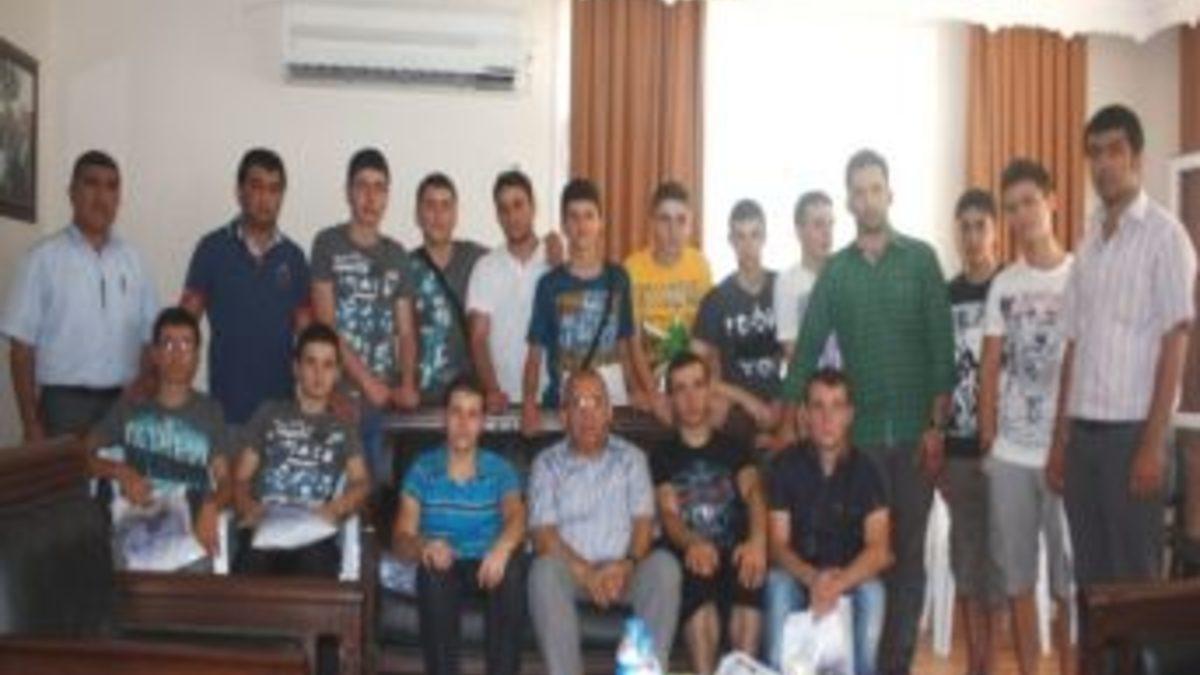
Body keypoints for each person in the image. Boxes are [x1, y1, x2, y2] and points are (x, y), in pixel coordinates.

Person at [783, 149, 954, 673]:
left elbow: (941, 351)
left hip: (915, 439)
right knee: (865, 560)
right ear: (849, 202)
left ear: (889, 193)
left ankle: (894, 667)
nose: (868, 199)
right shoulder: (837, 272)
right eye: (858, 191)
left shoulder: (922, 260)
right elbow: (807, 347)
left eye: (875, 188)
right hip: (860, 446)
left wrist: (936, 428)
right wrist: (788, 412)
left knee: (907, 562)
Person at [1048, 104, 1196, 588]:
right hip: (1082, 439)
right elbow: (1072, 346)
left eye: (1115, 150)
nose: (1103, 164)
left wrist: (1152, 444)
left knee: (1134, 584)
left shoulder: (1166, 237)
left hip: (1133, 436)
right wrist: (1060, 441)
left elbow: (1176, 342)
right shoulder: (1087, 243)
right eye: (1094, 153)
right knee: (1090, 584)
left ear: (1137, 157)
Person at [979, 159, 1076, 675]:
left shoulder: (1080, 275)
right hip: (1011, 456)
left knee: (1067, 586)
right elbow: (990, 366)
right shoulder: (1004, 284)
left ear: (1051, 201)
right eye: (1012, 207)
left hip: (1064, 454)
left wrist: (1067, 441)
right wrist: (989, 441)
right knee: (1018, 582)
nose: (1022, 215)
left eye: (1030, 202)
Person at [526, 370, 681, 674]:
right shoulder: (546, 464)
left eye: (596, 402)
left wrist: (626, 565)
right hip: (572, 574)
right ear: (564, 416)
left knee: (664, 567)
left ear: (609, 412)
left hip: (625, 573)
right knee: (543, 572)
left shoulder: (633, 458)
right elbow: (544, 536)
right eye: (578, 404)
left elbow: (643, 523)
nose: (588, 414)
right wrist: (588, 575)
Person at [1, 150, 158, 441]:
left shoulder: (134, 262)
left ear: (119, 198)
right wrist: (30, 423)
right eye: (91, 184)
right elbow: (21, 349)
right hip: (62, 406)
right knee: (65, 473)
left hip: (122, 404)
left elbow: (150, 337)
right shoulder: (42, 259)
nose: (101, 197)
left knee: (121, 473)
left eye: (111, 187)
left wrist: (143, 389)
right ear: (72, 192)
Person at [393, 376, 526, 675]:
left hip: (489, 564)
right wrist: (425, 546)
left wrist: (502, 549)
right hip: (444, 563)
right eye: (456, 412)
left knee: (513, 568)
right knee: (431, 571)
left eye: (473, 414)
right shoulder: (422, 469)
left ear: (482, 423)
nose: (464, 423)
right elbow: (401, 538)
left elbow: (517, 516)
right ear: (445, 418)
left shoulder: (500, 469)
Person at [764, 368, 891, 674]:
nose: (827, 418)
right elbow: (777, 545)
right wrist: (812, 579)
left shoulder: (868, 471)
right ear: (805, 414)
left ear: (849, 415)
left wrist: (837, 584)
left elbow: (879, 549)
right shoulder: (784, 466)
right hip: (800, 577)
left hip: (849, 579)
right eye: (818, 406)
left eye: (837, 406)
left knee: (873, 592)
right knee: (777, 585)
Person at [85, 307, 230, 571]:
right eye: (168, 344)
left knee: (199, 574)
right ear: (155, 354)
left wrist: (212, 505)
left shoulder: (210, 411)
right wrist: (119, 471)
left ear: (197, 355)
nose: (177, 355)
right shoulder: (131, 406)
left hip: (189, 525)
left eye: (186, 345)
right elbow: (79, 457)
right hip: (136, 521)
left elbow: (226, 480)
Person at [653, 352, 767, 675]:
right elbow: (669, 514)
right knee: (697, 582)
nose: (691, 398)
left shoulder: (735, 447)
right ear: (671, 400)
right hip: (689, 554)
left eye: (698, 385)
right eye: (681, 389)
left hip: (735, 550)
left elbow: (754, 494)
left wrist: (758, 542)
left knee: (749, 575)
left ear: (710, 392)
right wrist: (692, 543)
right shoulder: (662, 456)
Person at [311, 148, 419, 481]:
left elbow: (406, 332)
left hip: (382, 406)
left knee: (376, 496)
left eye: (379, 188)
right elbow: (325, 325)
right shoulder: (327, 244)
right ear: (348, 192)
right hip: (336, 398)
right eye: (362, 186)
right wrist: (366, 382)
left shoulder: (397, 254)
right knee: (337, 497)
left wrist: (407, 383)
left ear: (387, 195)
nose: (370, 198)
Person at [181, 148, 311, 426]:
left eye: (274, 189)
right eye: (257, 186)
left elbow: (308, 337)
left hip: (281, 413)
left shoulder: (294, 258)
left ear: (282, 196)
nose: (265, 198)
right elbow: (184, 323)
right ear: (240, 192)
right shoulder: (212, 249)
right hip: (226, 412)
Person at [233, 323, 370, 578]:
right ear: (296, 368)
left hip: (314, 528)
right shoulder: (269, 413)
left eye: (328, 365)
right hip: (266, 523)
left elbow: (361, 482)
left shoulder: (343, 426)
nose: (319, 374)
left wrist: (336, 508)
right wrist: (247, 506)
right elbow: (240, 478)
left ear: (337, 373)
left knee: (315, 564)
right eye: (311, 363)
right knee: (251, 563)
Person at [521, 179, 643, 434]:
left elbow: (625, 345)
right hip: (565, 407)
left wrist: (634, 391)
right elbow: (534, 353)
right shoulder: (549, 284)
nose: (582, 225)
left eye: (589, 216)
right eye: (574, 217)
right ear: (564, 225)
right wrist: (529, 404)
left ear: (601, 222)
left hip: (611, 404)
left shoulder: (618, 278)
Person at [943, 188, 1005, 675]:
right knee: (965, 556)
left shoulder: (1012, 287)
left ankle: (990, 660)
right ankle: (974, 662)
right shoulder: (946, 295)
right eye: (964, 227)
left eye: (980, 225)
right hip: (957, 445)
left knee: (999, 559)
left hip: (1007, 446)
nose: (971, 236)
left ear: (995, 230)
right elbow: (938, 372)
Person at [692, 199, 784, 446]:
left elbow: (800, 357)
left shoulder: (783, 287)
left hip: (780, 401)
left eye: (755, 235)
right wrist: (747, 401)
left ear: (764, 237)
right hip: (736, 404)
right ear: (731, 241)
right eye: (740, 237)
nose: (748, 246)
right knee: (715, 409)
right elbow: (693, 370)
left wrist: (782, 400)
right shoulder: (716, 299)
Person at [467, 170, 551, 413]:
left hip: (552, 402)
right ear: (497, 215)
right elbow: (478, 338)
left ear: (533, 207)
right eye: (503, 209)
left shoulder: (556, 262)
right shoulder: (485, 267)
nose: (512, 216)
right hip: (503, 405)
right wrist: (492, 390)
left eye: (518, 205)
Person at [624, 181, 713, 397]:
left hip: (692, 383)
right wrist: (652, 395)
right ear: (652, 223)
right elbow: (631, 344)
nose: (673, 231)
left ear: (690, 224)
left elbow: (709, 336)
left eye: (681, 220)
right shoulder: (632, 269)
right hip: (649, 384)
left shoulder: (700, 266)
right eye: (664, 219)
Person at [409, 173, 488, 405]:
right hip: (421, 400)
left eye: (445, 206)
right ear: (418, 214)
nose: (438, 215)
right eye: (430, 205)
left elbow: (516, 262)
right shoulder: (403, 267)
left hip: (469, 398)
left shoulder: (479, 260)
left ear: (455, 214)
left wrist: (547, 250)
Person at [773, 190, 838, 367]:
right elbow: (791, 350)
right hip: (811, 380)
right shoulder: (787, 282)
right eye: (818, 225)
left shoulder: (846, 274)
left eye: (831, 224)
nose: (827, 233)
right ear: (799, 231)